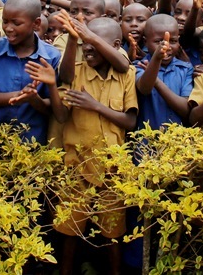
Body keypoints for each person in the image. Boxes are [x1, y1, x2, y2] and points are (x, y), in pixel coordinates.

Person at [48, 17, 137, 275]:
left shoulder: (126, 75)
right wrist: (74, 41)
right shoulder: (75, 71)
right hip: (78, 166)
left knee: (113, 232)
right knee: (70, 231)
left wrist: (96, 106)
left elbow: (130, 121)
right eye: (84, 44)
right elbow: (62, 112)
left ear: (115, 45)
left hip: (112, 169)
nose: (87, 48)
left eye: (93, 43)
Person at [0, 0, 61, 144]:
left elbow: (52, 108)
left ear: (36, 24)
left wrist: (34, 99)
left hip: (33, 142)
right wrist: (20, 95)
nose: (8, 28)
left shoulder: (51, 56)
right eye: (5, 21)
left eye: (16, 23)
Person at [134, 14, 192, 129]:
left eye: (173, 41)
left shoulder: (185, 69)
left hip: (177, 138)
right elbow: (144, 89)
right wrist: (156, 59)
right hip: (146, 138)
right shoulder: (138, 66)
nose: (167, 47)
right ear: (145, 42)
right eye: (158, 42)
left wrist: (157, 82)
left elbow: (186, 110)